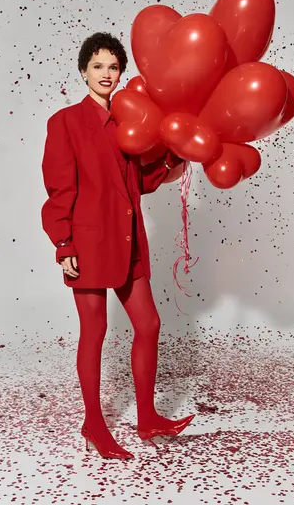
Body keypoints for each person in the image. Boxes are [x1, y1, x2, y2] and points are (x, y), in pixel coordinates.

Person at [41, 32, 195, 460]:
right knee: (95, 333)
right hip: (87, 243)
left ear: (121, 73)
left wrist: (172, 158)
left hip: (129, 243)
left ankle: (147, 417)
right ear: (83, 70)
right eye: (98, 66)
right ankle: (94, 423)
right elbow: (59, 188)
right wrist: (64, 242)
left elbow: (136, 184)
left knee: (148, 325)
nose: (106, 74)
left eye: (113, 67)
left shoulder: (129, 126)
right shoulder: (66, 122)